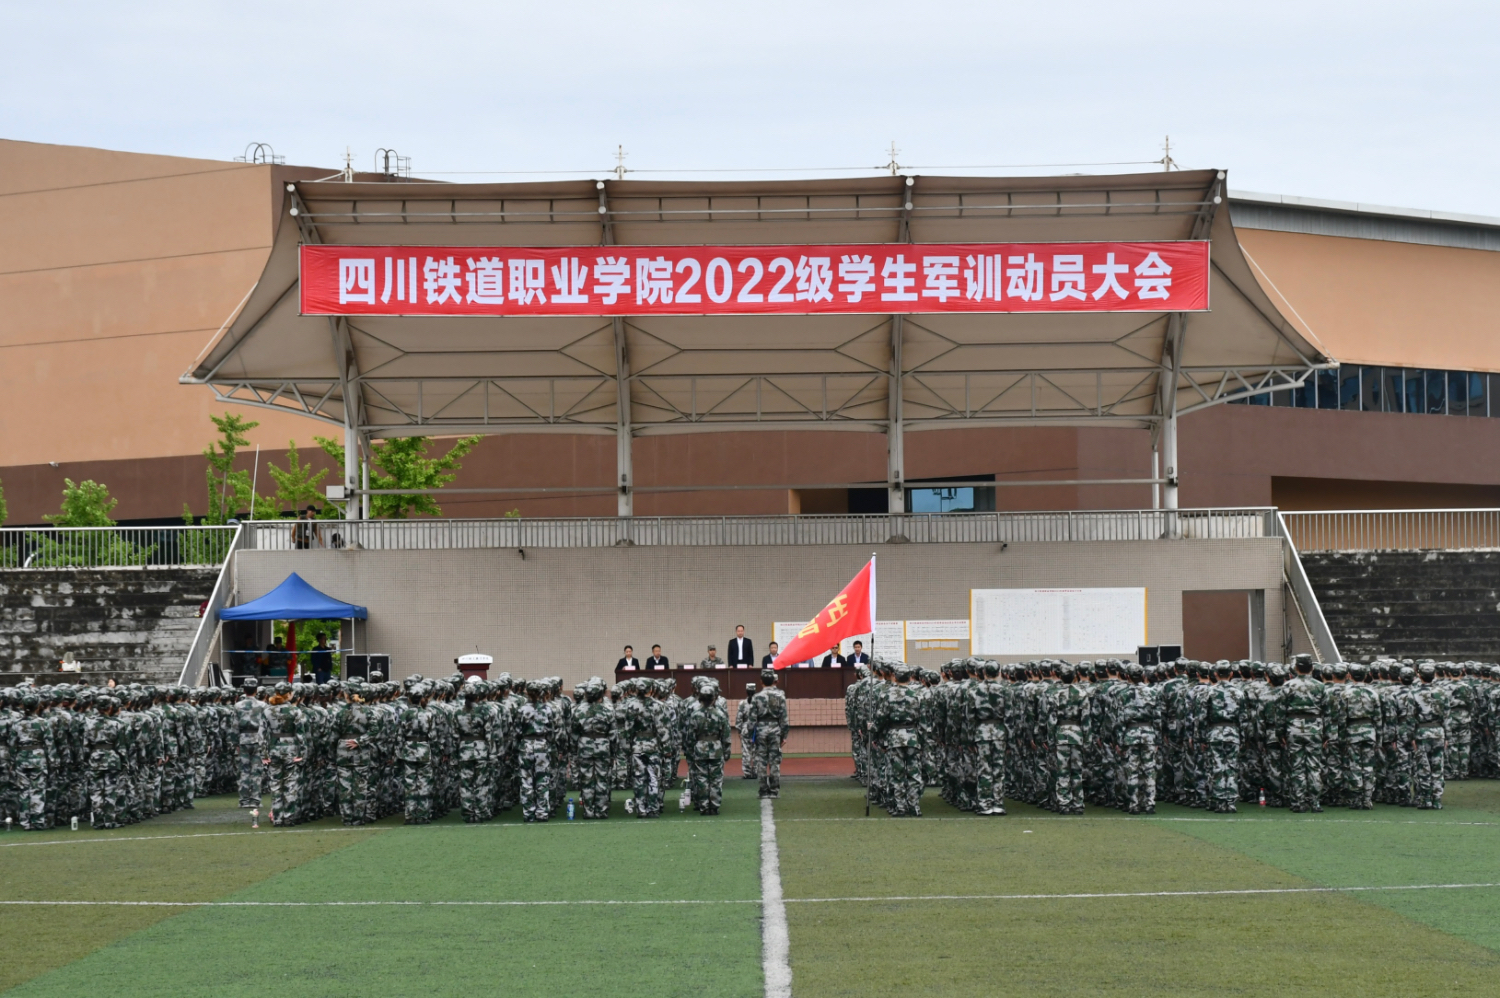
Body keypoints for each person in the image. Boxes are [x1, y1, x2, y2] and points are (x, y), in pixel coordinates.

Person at [748, 669, 789, 798]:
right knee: (774, 761)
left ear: (761, 681)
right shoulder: (780, 696)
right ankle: (774, 790)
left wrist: (750, 735)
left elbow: (752, 719)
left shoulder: (756, 697)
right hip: (775, 729)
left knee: (761, 761)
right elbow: (784, 719)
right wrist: (784, 736)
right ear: (773, 681)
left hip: (761, 729)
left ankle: (763, 790)